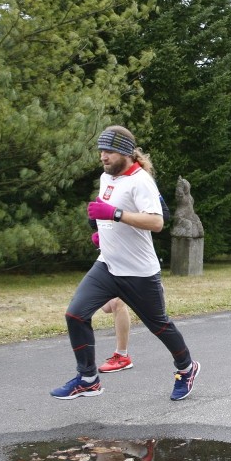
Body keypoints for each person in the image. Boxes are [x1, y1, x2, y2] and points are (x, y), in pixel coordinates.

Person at [51, 126, 200, 401]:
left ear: (125, 152)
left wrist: (114, 214)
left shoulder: (141, 181)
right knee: (75, 315)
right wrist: (101, 232)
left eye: (107, 151)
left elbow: (156, 222)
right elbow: (106, 213)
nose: (102, 157)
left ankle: (186, 368)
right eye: (100, 152)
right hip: (107, 265)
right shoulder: (106, 177)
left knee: (160, 326)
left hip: (139, 272)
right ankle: (88, 379)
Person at [92, 195, 171, 373]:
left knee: (118, 303)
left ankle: (122, 355)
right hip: (112, 252)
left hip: (134, 253)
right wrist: (99, 229)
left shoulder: (142, 181)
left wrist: (122, 216)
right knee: (107, 306)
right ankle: (152, 289)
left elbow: (163, 216)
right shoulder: (108, 180)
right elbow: (97, 217)